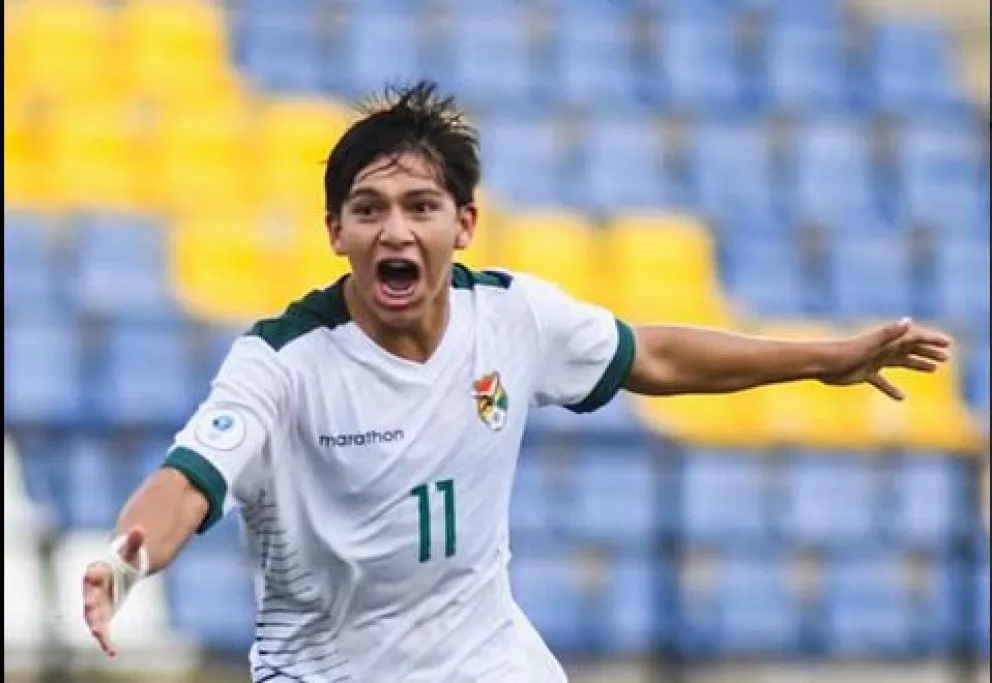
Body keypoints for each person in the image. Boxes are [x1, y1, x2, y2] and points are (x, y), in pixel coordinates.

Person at [81, 81, 952, 682]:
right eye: (370, 209)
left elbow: (658, 356)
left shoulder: (514, 318)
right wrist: (127, 559)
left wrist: (825, 357)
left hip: (488, 657)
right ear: (333, 231)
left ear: (463, 223)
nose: (396, 229)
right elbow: (187, 483)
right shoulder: (281, 362)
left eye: (420, 206)